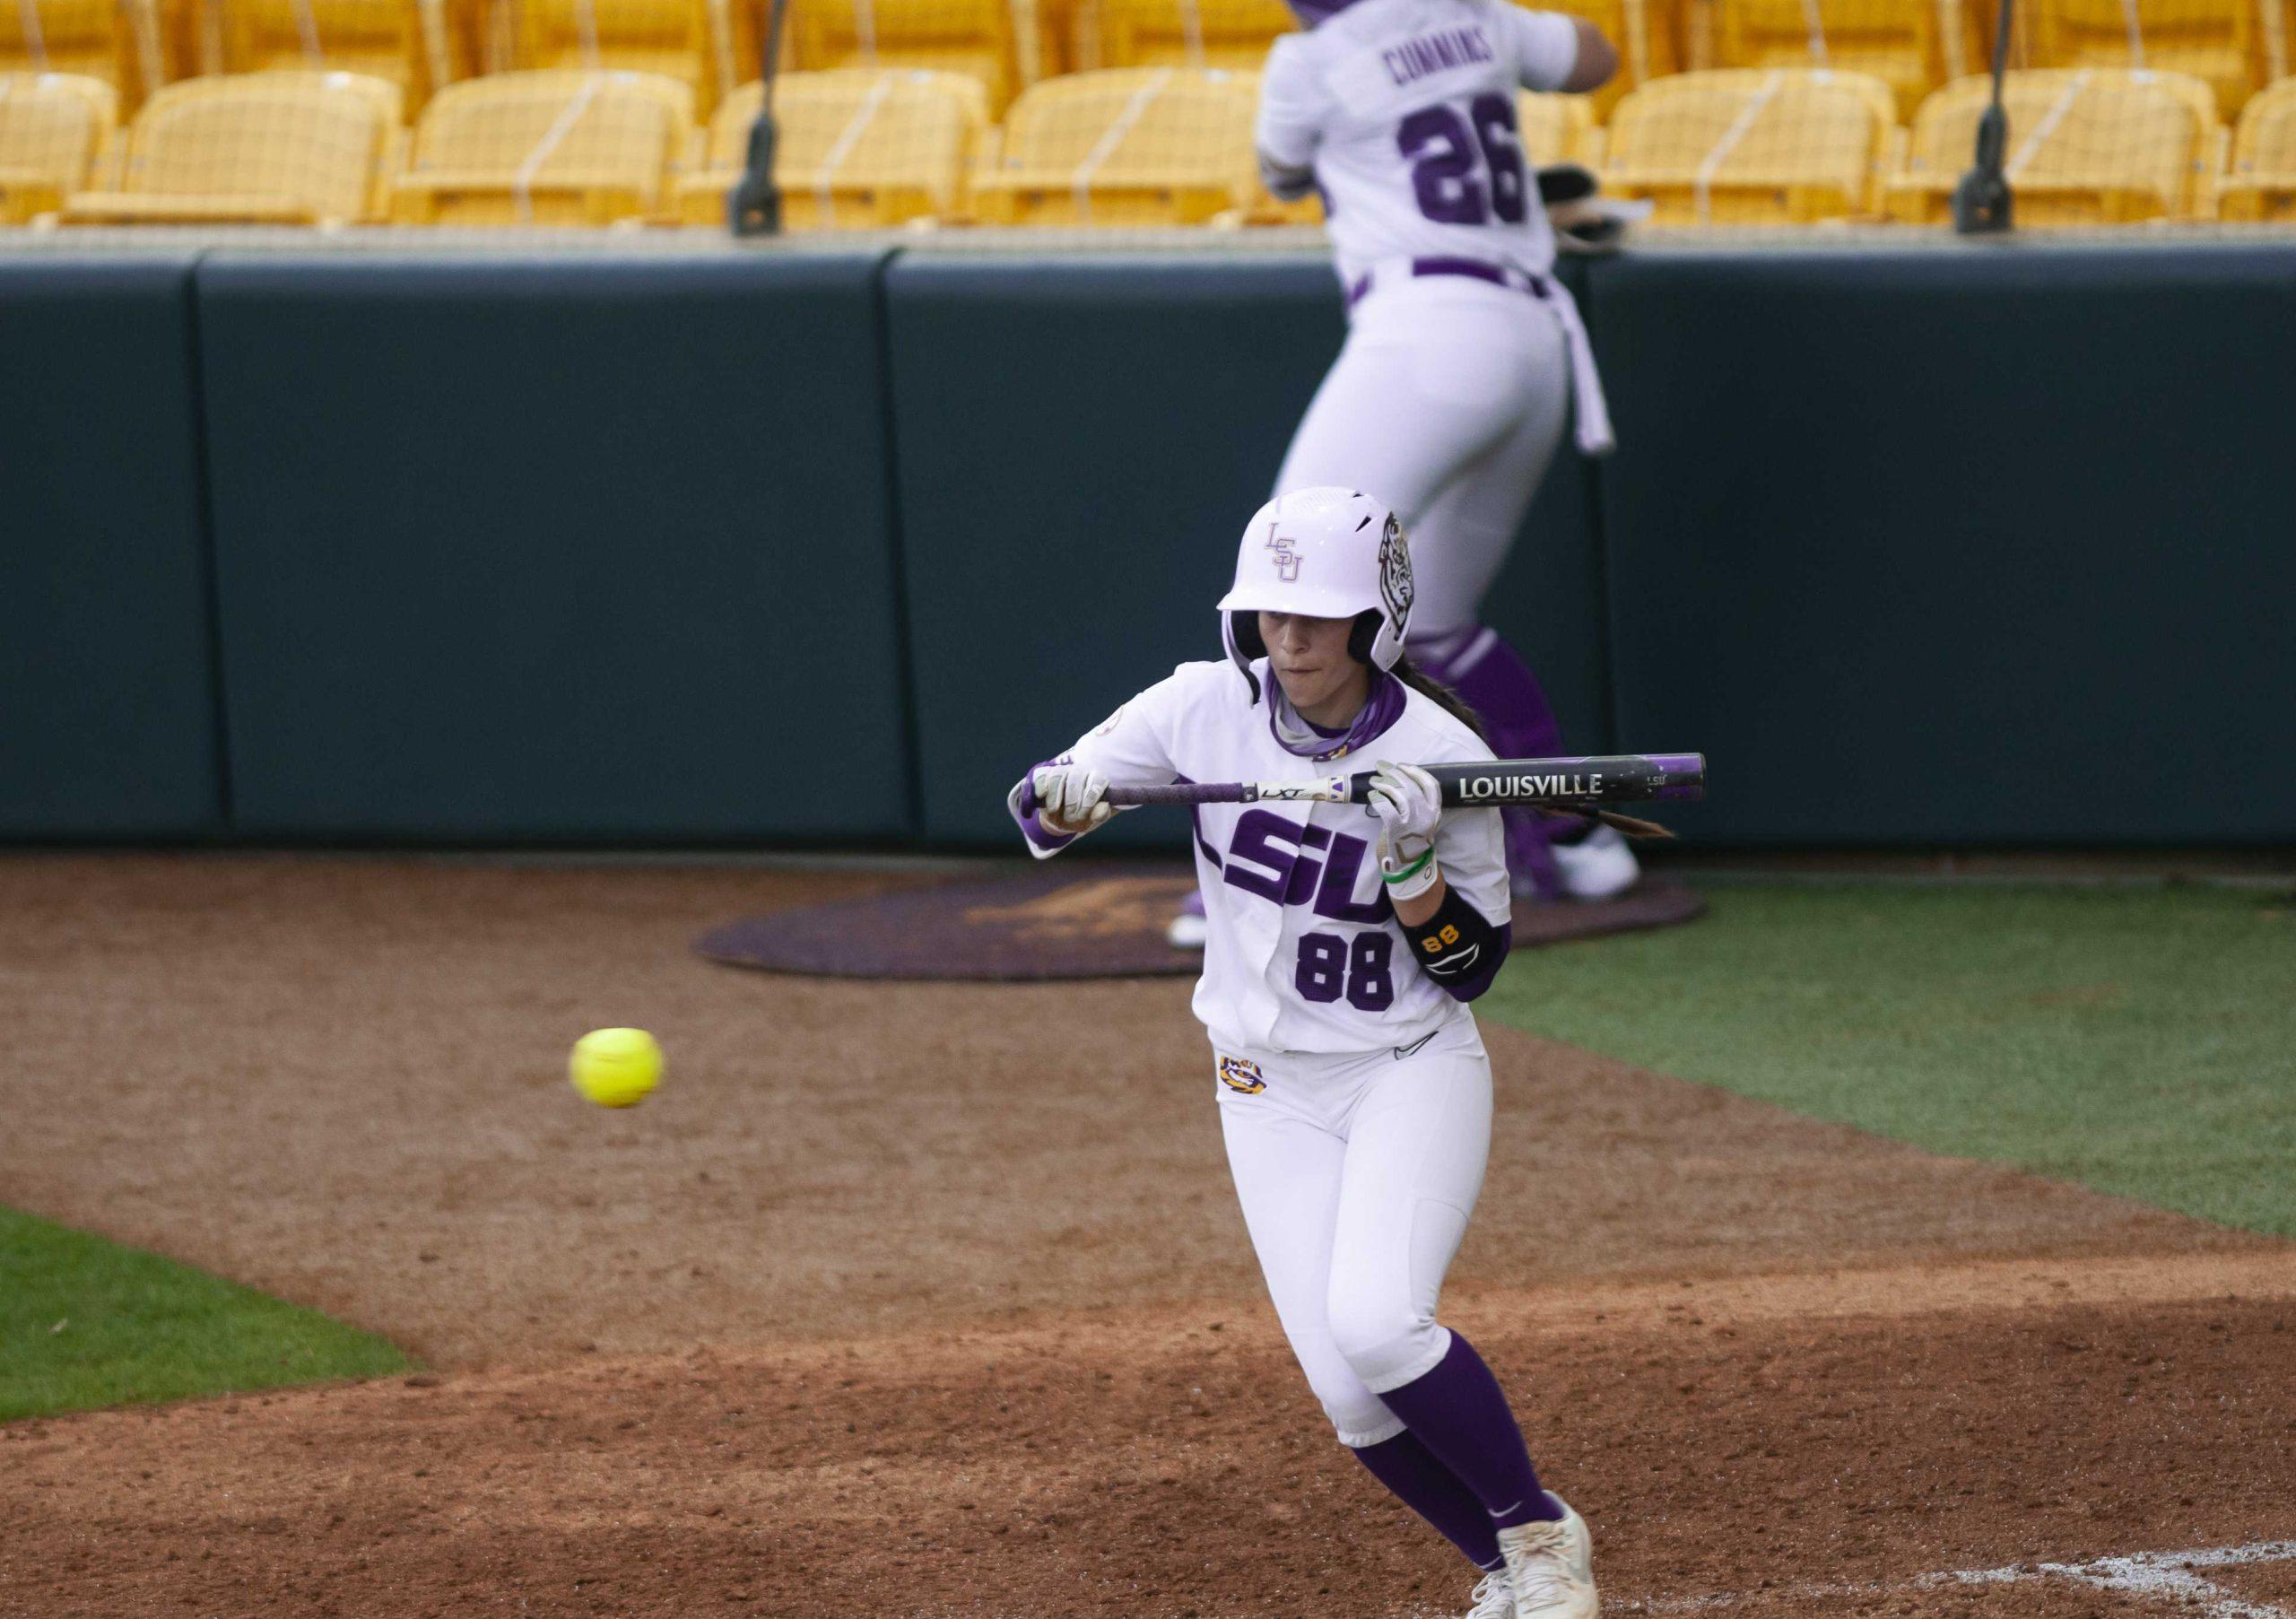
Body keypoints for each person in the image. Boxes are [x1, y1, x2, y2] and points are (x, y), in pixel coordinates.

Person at [1009, 488, 1597, 1619]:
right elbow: (1034, 813)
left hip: (1402, 1068)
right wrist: (1073, 798)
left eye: (1319, 615)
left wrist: (1414, 859)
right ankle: (1497, 1565)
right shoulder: (1196, 708)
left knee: (1379, 1323)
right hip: (1259, 1086)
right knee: (1350, 1396)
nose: (1291, 637)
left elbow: (1472, 968)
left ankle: (1540, 1536)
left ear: (1374, 622)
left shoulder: (1440, 753)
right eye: (1273, 611)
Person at [1169, 0, 1633, 953]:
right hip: (1534, 341)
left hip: (1424, 331)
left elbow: (1281, 171)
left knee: (1282, 578)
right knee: (1439, 619)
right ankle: (1580, 837)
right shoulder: (1477, 15)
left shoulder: (1313, 58)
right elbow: (1598, 57)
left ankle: (1253, 868)